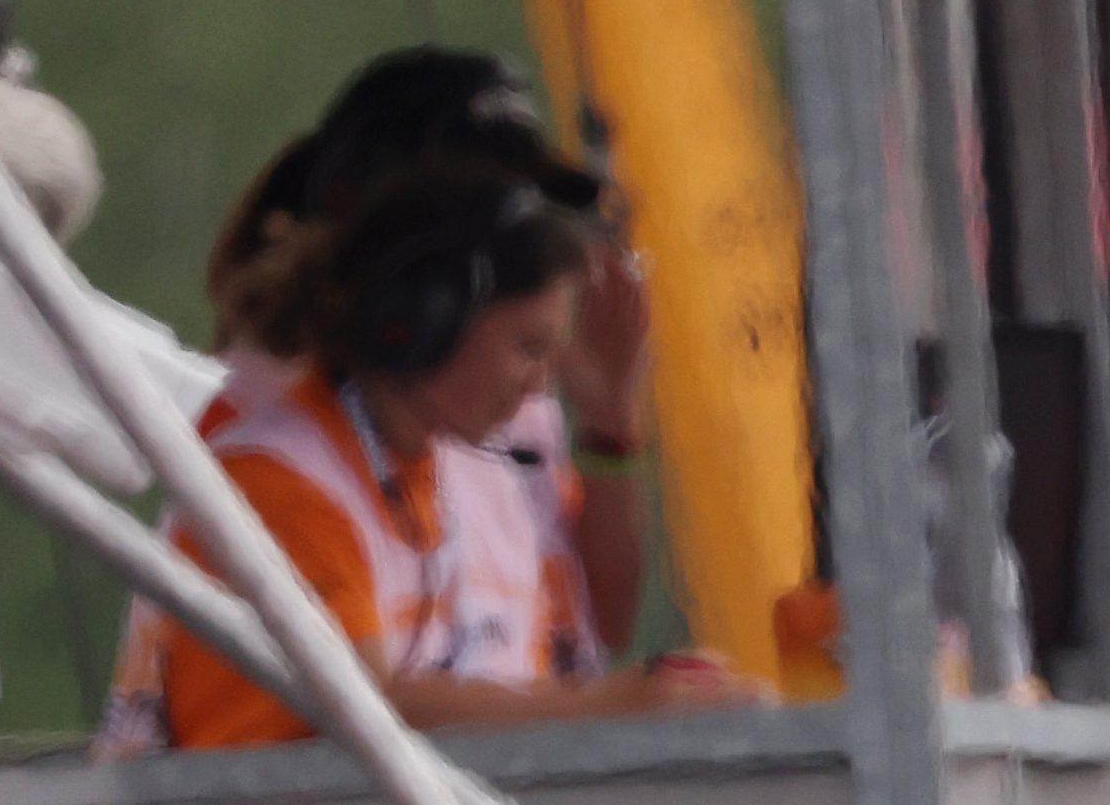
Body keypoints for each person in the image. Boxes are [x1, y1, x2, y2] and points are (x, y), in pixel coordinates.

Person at [138, 165, 743, 749]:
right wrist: (610, 708)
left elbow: (597, 621)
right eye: (528, 346)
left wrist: (611, 423)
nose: (538, 387)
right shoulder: (275, 478)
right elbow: (360, 703)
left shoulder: (444, 463)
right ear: (424, 323)